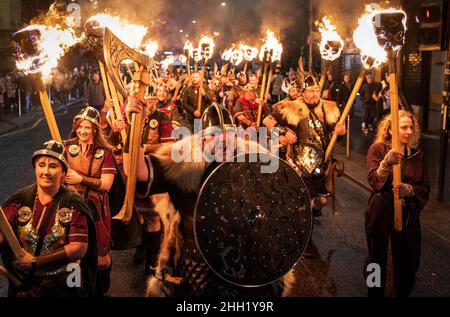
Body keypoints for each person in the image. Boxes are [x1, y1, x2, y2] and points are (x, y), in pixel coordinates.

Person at [123, 99, 301, 297]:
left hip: (244, 264)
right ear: (201, 140)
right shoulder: (182, 162)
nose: (223, 140)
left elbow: (281, 206)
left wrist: (288, 182)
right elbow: (136, 172)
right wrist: (136, 125)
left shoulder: (255, 159)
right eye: (214, 135)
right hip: (195, 264)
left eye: (229, 134)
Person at [0, 140, 97, 297]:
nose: (46, 171)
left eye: (53, 166)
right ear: (35, 168)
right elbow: (2, 231)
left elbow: (79, 248)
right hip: (24, 283)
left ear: (63, 173)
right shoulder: (19, 200)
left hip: (62, 285)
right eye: (41, 165)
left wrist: (35, 261)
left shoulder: (73, 204)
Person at [364, 110, 429, 297]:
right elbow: (373, 180)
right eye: (403, 127)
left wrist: (409, 190)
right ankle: (373, 294)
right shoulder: (377, 149)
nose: (408, 131)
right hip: (381, 211)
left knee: (408, 260)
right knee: (376, 259)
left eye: (411, 127)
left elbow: (424, 187)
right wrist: (385, 164)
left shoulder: (418, 155)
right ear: (391, 130)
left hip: (408, 214)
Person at [64, 106, 116, 295]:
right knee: (72, 256)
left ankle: (100, 291)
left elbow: (106, 184)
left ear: (95, 128)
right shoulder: (67, 148)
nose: (82, 131)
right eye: (79, 127)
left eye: (87, 127)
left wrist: (81, 179)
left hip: (96, 210)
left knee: (101, 258)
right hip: (71, 208)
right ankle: (74, 291)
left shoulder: (105, 152)